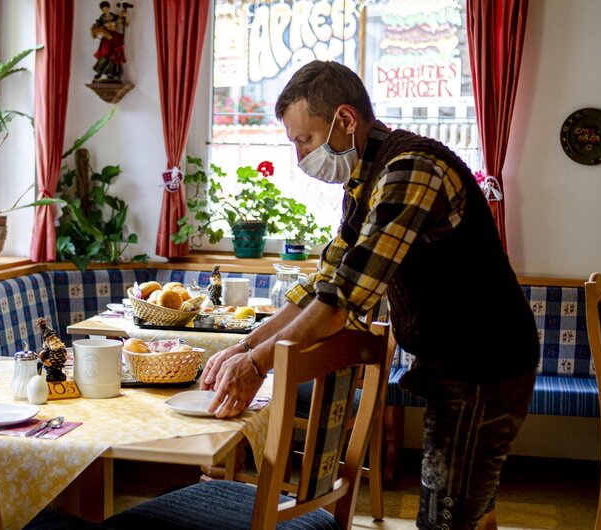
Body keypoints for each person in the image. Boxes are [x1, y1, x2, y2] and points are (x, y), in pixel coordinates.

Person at [201, 60, 539, 530]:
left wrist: (258, 365)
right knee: (470, 509)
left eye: (305, 139)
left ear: (344, 120)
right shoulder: (366, 179)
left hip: (484, 364)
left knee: (446, 518)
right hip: (460, 363)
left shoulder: (409, 171)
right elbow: (322, 285)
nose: (300, 156)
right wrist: (244, 346)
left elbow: (339, 303)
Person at [90, 1, 131, 82]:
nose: (105, 10)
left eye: (106, 8)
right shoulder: (101, 19)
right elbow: (95, 30)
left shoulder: (115, 17)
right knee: (104, 55)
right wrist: (95, 30)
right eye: (103, 9)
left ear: (109, 8)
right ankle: (100, 71)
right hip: (107, 38)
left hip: (115, 38)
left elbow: (125, 24)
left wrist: (126, 16)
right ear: (102, 10)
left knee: (114, 56)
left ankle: (111, 73)